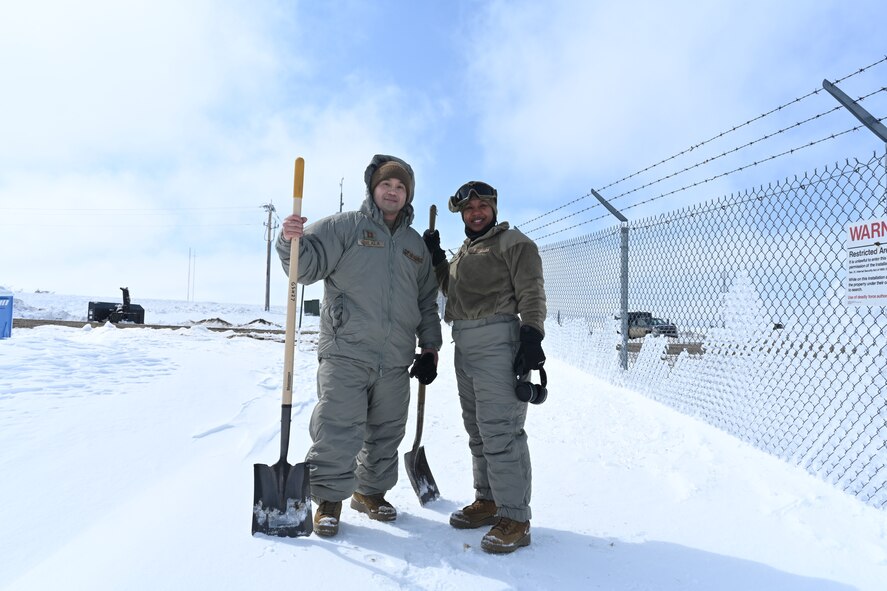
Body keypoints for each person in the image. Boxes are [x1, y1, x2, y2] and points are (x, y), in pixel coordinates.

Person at [276, 154, 442, 538]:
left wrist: (430, 347)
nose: (393, 191)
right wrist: (288, 240)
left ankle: (369, 493)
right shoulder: (344, 227)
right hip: (346, 350)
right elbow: (305, 266)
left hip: (396, 357)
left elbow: (426, 302)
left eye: (400, 187)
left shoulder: (416, 247)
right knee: (338, 426)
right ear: (373, 188)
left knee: (386, 431)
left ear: (408, 195)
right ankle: (328, 500)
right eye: (387, 184)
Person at [422, 180, 546, 554]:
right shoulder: (466, 250)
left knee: (501, 431)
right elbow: (453, 291)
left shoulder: (513, 243)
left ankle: (516, 518)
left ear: (494, 207)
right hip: (465, 343)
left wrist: (532, 335)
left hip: (498, 340)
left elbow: (532, 290)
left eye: (482, 206)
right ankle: (488, 501)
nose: (475, 213)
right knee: (477, 430)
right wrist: (439, 260)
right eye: (468, 208)